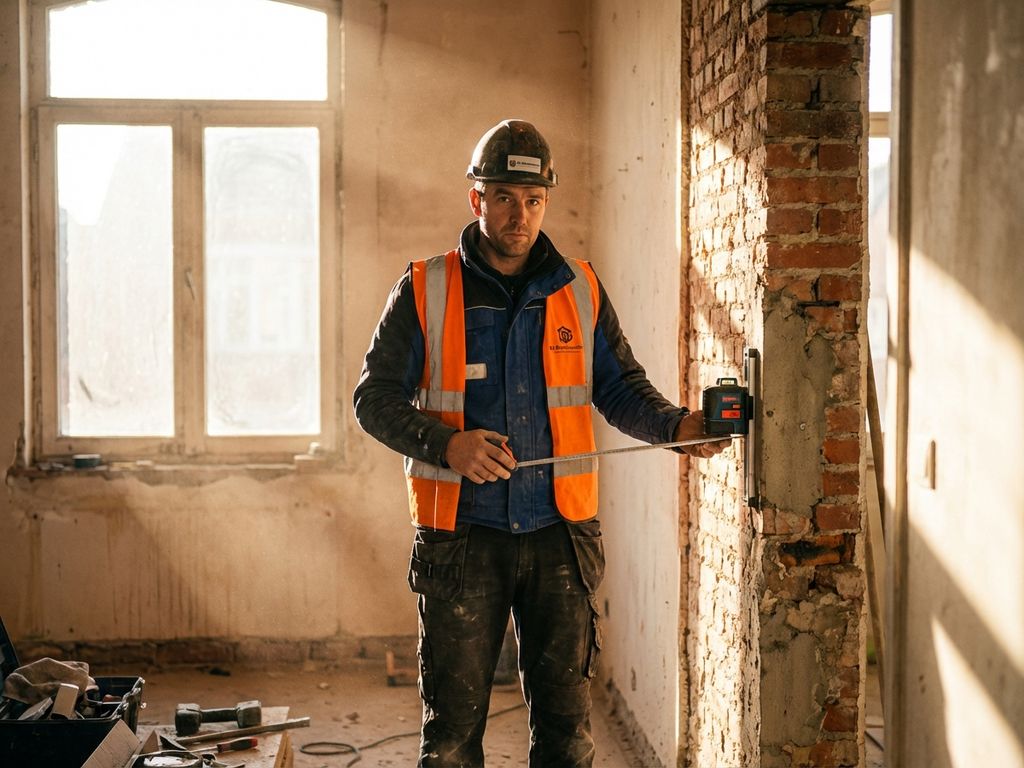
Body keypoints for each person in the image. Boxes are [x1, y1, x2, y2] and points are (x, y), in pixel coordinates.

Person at [353, 118, 730, 767]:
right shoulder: (425, 287)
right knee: (450, 742)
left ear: (545, 201)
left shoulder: (578, 288)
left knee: (565, 738)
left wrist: (677, 427)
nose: (517, 214)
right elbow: (373, 399)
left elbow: (620, 387)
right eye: (502, 197)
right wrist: (447, 445)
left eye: (531, 200)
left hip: (561, 540)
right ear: (477, 199)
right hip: (461, 542)